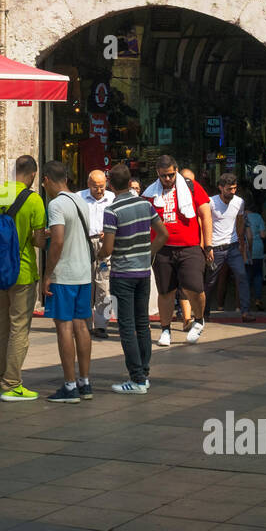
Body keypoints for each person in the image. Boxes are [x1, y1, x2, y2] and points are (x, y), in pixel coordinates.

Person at [0, 155, 47, 402]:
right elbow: (40, 241)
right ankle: (12, 384)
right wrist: (32, 237)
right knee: (19, 327)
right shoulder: (34, 200)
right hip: (22, 271)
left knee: (0, 325)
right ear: (33, 174)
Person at [99, 163, 166, 394]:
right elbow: (163, 234)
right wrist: (148, 254)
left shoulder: (112, 210)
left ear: (110, 185)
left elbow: (107, 248)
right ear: (130, 183)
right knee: (142, 324)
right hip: (142, 272)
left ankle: (137, 379)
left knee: (126, 327)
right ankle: (143, 373)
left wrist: (98, 254)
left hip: (122, 274)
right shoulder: (144, 204)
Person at [41, 161, 95, 404]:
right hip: (83, 272)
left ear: (48, 180)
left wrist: (48, 274)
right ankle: (84, 382)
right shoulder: (80, 200)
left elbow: (59, 241)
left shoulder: (56, 204)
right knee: (82, 326)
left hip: (64, 274)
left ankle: (70, 385)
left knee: (63, 327)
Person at [143, 158, 211, 346]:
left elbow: (205, 214)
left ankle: (198, 319)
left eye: (171, 174)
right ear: (157, 173)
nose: (168, 179)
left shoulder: (191, 187)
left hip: (190, 246)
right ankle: (165, 330)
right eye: (163, 175)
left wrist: (209, 244)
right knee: (165, 291)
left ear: (177, 171)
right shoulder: (149, 193)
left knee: (194, 288)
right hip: (162, 249)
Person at [204, 173, 254, 322]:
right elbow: (205, 223)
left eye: (234, 188)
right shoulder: (211, 202)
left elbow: (239, 222)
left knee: (242, 276)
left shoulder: (239, 202)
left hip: (233, 246)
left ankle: (245, 311)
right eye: (228, 189)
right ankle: (204, 312)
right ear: (220, 188)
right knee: (210, 281)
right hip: (216, 247)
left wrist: (241, 244)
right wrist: (208, 247)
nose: (232, 192)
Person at [78, 169, 115, 339]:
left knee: (103, 284)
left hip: (104, 242)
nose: (99, 190)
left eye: (101, 187)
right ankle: (85, 323)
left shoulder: (112, 199)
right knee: (85, 283)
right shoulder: (79, 197)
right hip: (85, 242)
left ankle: (101, 325)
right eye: (95, 187)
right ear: (88, 185)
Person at [244, 197, 266, 311]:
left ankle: (245, 302)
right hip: (258, 248)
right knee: (258, 275)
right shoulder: (258, 217)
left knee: (246, 276)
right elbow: (263, 235)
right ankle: (258, 299)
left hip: (245, 249)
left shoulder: (241, 217)